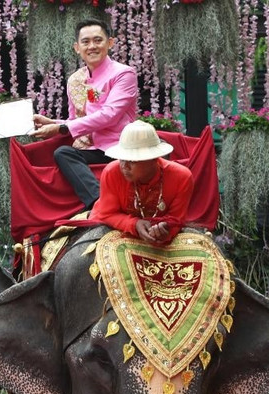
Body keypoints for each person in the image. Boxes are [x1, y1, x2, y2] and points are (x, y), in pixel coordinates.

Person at [31, 18, 137, 210]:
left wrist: (61, 128)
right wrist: (52, 122)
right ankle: (98, 202)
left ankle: (101, 206)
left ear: (110, 43)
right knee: (63, 153)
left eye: (98, 40)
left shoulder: (124, 74)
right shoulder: (75, 80)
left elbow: (109, 115)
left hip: (120, 146)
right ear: (77, 48)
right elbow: (75, 121)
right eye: (86, 42)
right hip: (93, 148)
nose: (92, 46)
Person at [90, 120, 193, 246]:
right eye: (122, 159)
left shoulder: (182, 177)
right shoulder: (111, 172)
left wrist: (166, 230)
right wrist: (134, 224)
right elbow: (106, 214)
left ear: (154, 159)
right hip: (110, 228)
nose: (124, 166)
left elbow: (177, 219)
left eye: (132, 161)